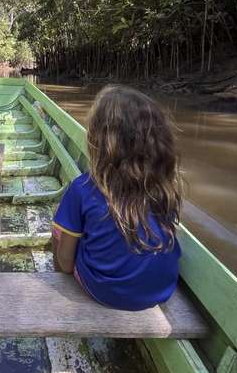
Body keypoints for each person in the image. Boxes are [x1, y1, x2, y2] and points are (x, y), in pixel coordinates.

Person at [52, 85, 182, 310]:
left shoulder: (83, 187)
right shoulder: (165, 188)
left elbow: (65, 263)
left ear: (99, 141)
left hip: (105, 292)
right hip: (162, 290)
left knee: (59, 230)